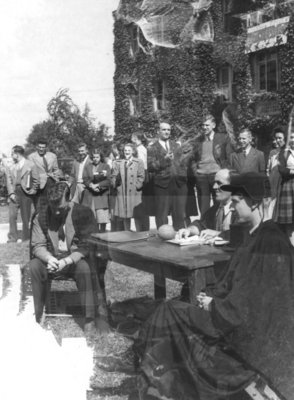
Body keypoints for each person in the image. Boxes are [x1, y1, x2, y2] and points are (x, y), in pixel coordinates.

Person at [97, 172, 294, 400]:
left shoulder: (269, 242)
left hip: (246, 340)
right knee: (172, 310)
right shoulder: (256, 236)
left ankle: (137, 364)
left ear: (256, 202)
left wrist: (213, 305)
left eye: (237, 202)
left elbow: (252, 306)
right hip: (233, 318)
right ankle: (146, 368)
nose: (231, 208)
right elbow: (237, 284)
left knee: (168, 311)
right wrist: (210, 294)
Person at [29, 181, 100, 339]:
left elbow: (87, 245)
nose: (55, 213)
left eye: (60, 208)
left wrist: (66, 261)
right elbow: (37, 245)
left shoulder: (83, 213)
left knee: (84, 268)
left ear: (69, 200)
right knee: (34, 265)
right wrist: (48, 258)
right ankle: (38, 314)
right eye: (52, 208)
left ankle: (89, 318)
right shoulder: (40, 215)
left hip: (73, 260)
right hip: (51, 259)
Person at [147, 122, 189, 230]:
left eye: (168, 130)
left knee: (179, 215)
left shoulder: (176, 145)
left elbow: (182, 163)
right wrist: (164, 160)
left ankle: (179, 238)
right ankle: (163, 240)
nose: (166, 132)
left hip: (178, 184)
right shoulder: (152, 147)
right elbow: (150, 166)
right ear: (158, 131)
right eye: (164, 130)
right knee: (162, 215)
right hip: (162, 185)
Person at [178, 168, 236, 243]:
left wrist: (217, 234)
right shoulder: (217, 208)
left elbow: (243, 233)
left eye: (219, 183)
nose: (214, 187)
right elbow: (202, 224)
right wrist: (189, 230)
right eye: (214, 182)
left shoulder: (241, 209)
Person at [191, 114, 232, 216]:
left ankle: (217, 227)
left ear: (213, 125)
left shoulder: (223, 138)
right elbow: (192, 159)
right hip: (201, 177)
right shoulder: (197, 140)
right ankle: (204, 227)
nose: (204, 127)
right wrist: (196, 173)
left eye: (207, 125)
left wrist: (223, 173)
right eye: (203, 125)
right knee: (203, 207)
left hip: (216, 176)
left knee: (219, 204)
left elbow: (228, 157)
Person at [6, 145, 39, 243]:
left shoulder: (31, 164)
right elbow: (9, 181)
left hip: (26, 194)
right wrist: (11, 193)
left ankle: (26, 237)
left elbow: (36, 180)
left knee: (26, 217)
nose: (11, 156)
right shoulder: (11, 166)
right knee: (12, 216)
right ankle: (13, 238)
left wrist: (32, 191)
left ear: (17, 154)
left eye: (12, 154)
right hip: (14, 192)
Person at [111, 143, 145, 231]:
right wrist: (116, 183)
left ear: (133, 151)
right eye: (125, 150)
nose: (127, 152)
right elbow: (113, 176)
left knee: (136, 214)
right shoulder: (118, 162)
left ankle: (138, 233)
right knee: (125, 214)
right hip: (122, 192)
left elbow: (141, 176)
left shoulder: (139, 162)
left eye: (129, 150)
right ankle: (127, 233)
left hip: (134, 193)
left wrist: (137, 186)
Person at [82, 148, 111, 233]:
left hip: (101, 195)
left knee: (102, 220)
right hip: (91, 196)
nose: (95, 159)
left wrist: (98, 185)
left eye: (97, 157)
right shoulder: (88, 167)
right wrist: (91, 185)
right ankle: (94, 239)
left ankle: (102, 237)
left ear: (100, 157)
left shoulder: (106, 166)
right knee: (92, 220)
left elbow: (108, 180)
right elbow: (85, 179)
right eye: (94, 157)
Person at [28, 138, 60, 209]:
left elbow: (56, 169)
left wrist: (56, 179)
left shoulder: (52, 156)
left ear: (46, 147)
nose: (41, 149)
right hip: (39, 184)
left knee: (51, 205)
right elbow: (30, 172)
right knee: (39, 205)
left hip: (51, 182)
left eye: (43, 147)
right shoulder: (31, 157)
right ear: (37, 147)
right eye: (39, 147)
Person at [276, 131, 294, 244]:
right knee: (289, 220)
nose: (293, 139)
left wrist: (290, 170)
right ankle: (291, 245)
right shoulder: (284, 153)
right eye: (291, 137)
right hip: (288, 186)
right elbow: (282, 170)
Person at [131, 131, 150, 231]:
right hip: (138, 176)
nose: (132, 140)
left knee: (141, 205)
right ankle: (140, 229)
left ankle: (143, 229)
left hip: (141, 177)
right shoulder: (137, 149)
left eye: (133, 138)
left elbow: (141, 165)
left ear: (136, 139)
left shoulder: (140, 150)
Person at [266, 127, 286, 218]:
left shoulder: (289, 153)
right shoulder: (272, 153)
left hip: (284, 186)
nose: (277, 140)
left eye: (280, 138)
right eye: (276, 138)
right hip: (273, 185)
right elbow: (268, 169)